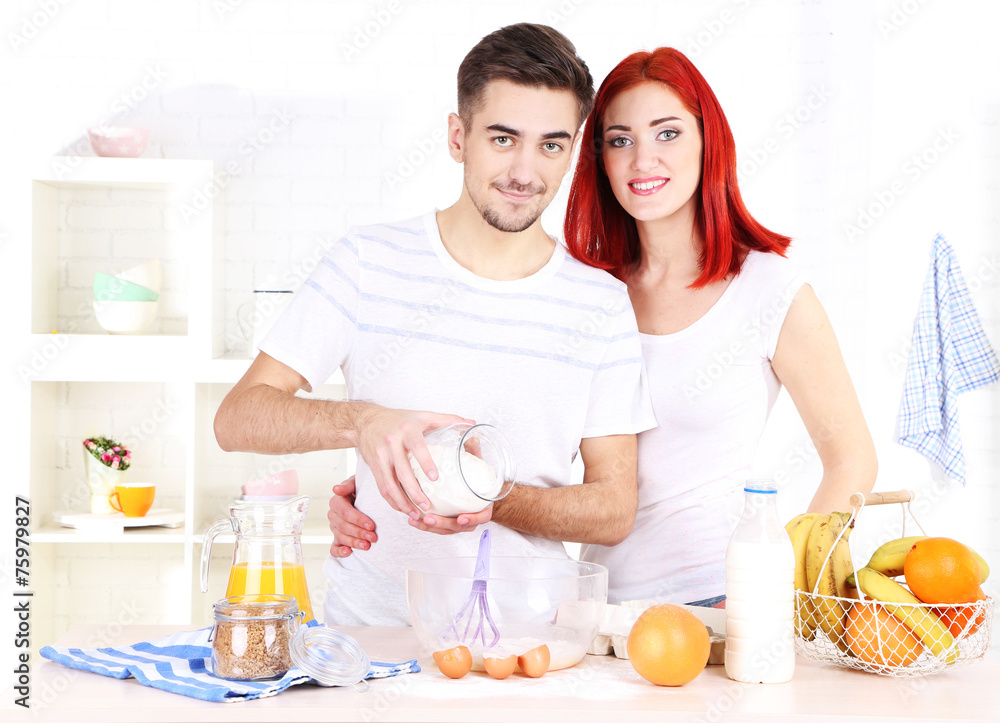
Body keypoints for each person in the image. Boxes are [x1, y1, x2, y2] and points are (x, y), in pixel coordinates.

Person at [214, 24, 655, 626]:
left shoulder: (599, 304)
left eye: (552, 145)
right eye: (503, 138)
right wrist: (362, 422)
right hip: (370, 637)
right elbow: (238, 417)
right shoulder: (368, 262)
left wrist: (489, 497)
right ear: (458, 136)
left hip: (528, 645)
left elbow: (612, 508)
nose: (525, 172)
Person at [561, 47, 878, 606]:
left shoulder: (768, 289)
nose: (642, 160)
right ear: (600, 159)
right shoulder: (586, 294)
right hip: (593, 613)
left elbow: (851, 458)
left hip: (718, 606)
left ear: (710, 141)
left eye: (667, 133)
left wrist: (779, 590)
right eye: (620, 139)